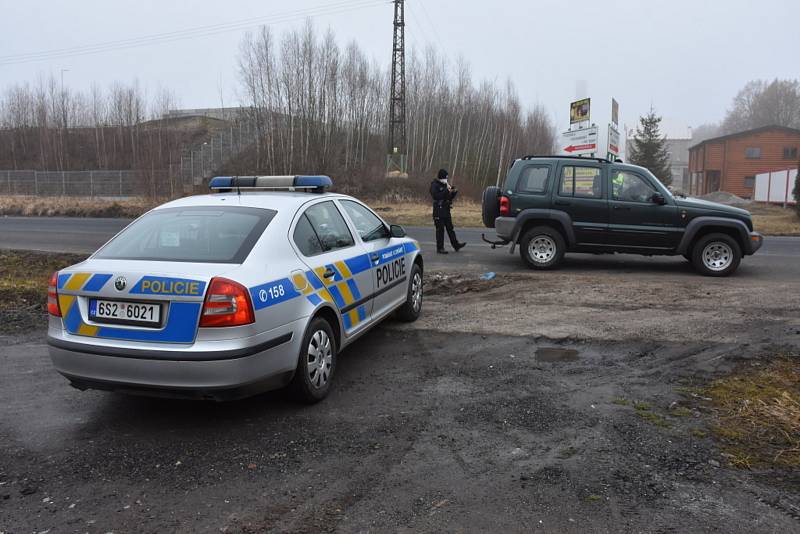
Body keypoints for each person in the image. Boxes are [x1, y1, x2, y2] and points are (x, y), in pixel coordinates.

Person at [430, 169, 466, 254]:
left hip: (446, 210)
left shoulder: (446, 184)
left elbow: (448, 197)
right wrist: (446, 190)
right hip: (438, 210)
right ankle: (440, 248)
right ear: (441, 177)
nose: (446, 179)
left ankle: (456, 245)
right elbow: (436, 196)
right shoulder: (434, 185)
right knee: (440, 230)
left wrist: (453, 192)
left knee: (450, 228)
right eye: (445, 178)